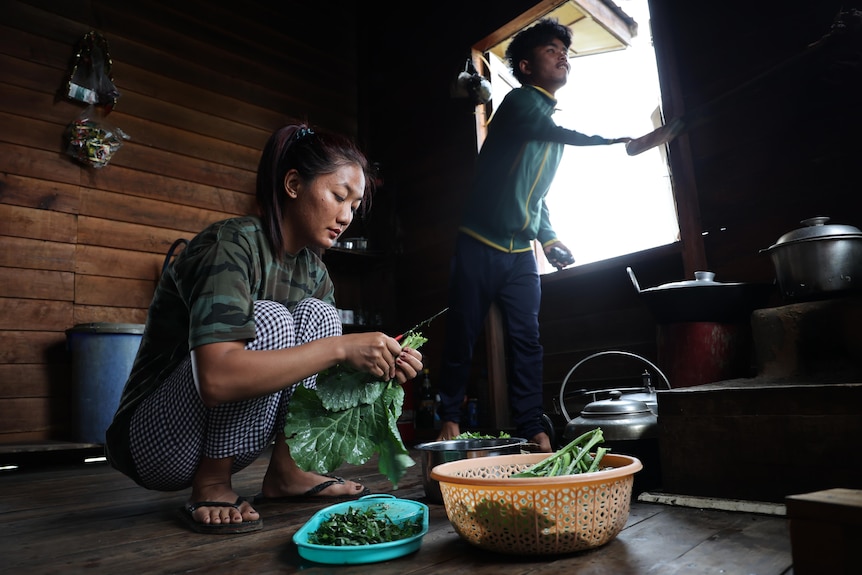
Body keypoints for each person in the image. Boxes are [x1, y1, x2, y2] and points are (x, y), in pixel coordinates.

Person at [105, 124, 423, 534]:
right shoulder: (232, 244)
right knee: (271, 318)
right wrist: (342, 349)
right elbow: (216, 380)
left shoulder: (315, 273)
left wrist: (379, 363)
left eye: (355, 206)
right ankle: (213, 482)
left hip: (230, 442)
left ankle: (287, 473)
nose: (346, 216)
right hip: (155, 443)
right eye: (338, 196)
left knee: (322, 318)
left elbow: (322, 370)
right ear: (293, 184)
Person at [436, 19, 630, 452]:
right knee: (463, 332)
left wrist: (550, 238)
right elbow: (555, 133)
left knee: (528, 340)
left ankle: (531, 426)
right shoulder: (521, 104)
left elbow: (536, 196)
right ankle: (449, 416)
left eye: (565, 51)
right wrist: (612, 141)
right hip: (479, 242)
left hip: (520, 254)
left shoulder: (548, 130)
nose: (562, 56)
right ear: (525, 66)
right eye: (550, 50)